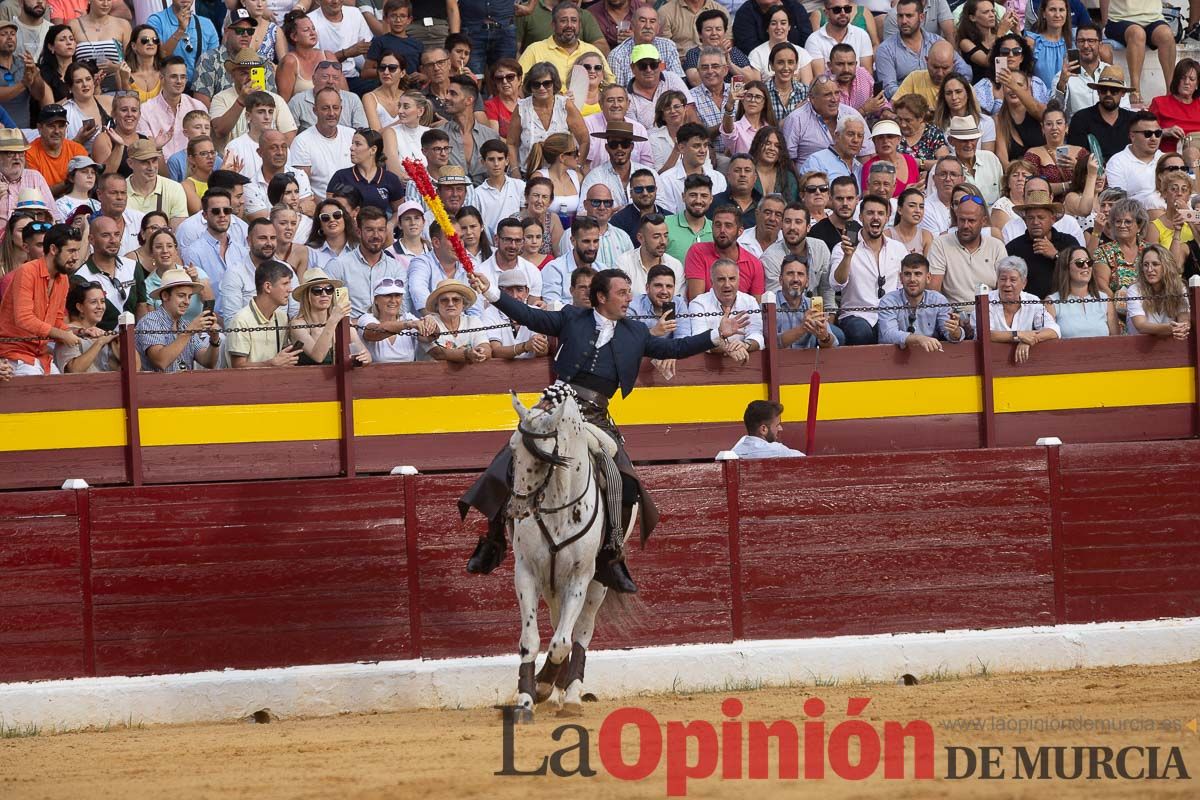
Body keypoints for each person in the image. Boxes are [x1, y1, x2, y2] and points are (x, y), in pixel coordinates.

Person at [461, 262, 750, 593]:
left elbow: (673, 348)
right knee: (513, 455)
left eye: (629, 292)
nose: (629, 298)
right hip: (556, 405)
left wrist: (716, 333)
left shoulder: (635, 332)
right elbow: (529, 316)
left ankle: (612, 553)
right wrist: (491, 291)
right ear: (601, 297)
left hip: (596, 416)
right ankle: (494, 539)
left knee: (622, 479)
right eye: (622, 293)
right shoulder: (571, 317)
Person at [0, 224, 82, 375]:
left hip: (41, 356)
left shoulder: (63, 278)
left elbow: (57, 321)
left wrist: (81, 331)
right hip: (15, 355)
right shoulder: (27, 271)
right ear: (53, 249)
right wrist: (62, 335)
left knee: (63, 390)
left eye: (77, 251)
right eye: (71, 251)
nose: (76, 257)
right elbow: (24, 319)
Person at [830, 192, 906, 344]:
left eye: (880, 213)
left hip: (889, 314)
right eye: (870, 213)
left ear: (887, 218)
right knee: (861, 333)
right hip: (855, 315)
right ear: (861, 217)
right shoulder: (842, 247)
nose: (875, 217)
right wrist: (847, 256)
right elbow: (836, 284)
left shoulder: (898, 248)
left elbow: (902, 287)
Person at [507, 60, 589, 172]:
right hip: (527, 175)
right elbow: (511, 143)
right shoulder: (521, 108)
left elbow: (584, 139)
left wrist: (578, 167)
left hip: (562, 176)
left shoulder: (565, 105)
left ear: (554, 83)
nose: (541, 88)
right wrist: (515, 171)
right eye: (536, 84)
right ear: (530, 86)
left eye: (546, 83)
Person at [135, 265, 221, 371]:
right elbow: (161, 361)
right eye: (181, 296)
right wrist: (189, 332)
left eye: (189, 297)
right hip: (157, 387)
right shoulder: (149, 321)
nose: (187, 302)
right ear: (165, 296)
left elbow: (207, 362)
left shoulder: (185, 324)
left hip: (184, 386)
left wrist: (214, 339)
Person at [877, 251, 967, 350]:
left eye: (917, 274)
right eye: (907, 274)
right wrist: (919, 339)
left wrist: (955, 332)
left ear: (928, 278)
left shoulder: (938, 300)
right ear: (901, 278)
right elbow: (888, 335)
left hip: (930, 359)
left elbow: (950, 335)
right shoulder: (888, 301)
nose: (912, 279)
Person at [225, 259, 303, 368]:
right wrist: (270, 364)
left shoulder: (281, 317)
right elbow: (238, 366)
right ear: (267, 287)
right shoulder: (241, 320)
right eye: (285, 284)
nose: (290, 290)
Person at [1099, 0, 1176, 109]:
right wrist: (1104, 22)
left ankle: (1171, 91)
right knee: (1137, 33)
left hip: (1153, 18)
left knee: (1166, 35)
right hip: (1119, 19)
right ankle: (1135, 92)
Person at [687, 257, 764, 362]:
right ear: (711, 281)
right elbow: (699, 339)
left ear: (738, 280)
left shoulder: (750, 301)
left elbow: (757, 334)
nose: (727, 285)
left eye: (732, 279)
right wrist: (728, 348)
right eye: (721, 279)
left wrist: (745, 345)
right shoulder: (698, 304)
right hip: (707, 368)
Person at [1004, 186, 1075, 298]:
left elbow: (1080, 272)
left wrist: (1056, 255)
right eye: (1031, 218)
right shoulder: (1013, 247)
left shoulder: (1068, 242)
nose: (1035, 222)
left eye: (1041, 217)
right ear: (1025, 221)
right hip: (1027, 309)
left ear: (1052, 219)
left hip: (1064, 305)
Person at [988, 254, 1060, 363]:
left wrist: (1028, 340)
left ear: (1024, 283)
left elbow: (1054, 330)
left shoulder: (1032, 300)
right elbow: (985, 334)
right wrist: (1018, 335)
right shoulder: (986, 301)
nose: (1007, 284)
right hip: (992, 360)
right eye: (1003, 279)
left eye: (1013, 280)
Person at [684, 203, 764, 299]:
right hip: (705, 313)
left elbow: (756, 308)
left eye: (728, 226)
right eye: (717, 225)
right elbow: (696, 301)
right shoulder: (698, 252)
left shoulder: (754, 264)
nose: (722, 230)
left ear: (740, 231)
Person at [288, 86, 354, 200]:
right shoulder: (301, 142)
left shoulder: (352, 135)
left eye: (336, 108)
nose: (332, 113)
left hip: (356, 205)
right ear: (315, 110)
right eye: (325, 108)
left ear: (341, 109)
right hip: (322, 208)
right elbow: (303, 189)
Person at [135, 56, 206, 159]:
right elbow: (147, 150)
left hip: (192, 167)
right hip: (158, 167)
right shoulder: (145, 110)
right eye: (173, 76)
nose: (179, 81)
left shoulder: (198, 107)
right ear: (161, 78)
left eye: (183, 77)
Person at [1043, 246, 1118, 338]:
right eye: (1079, 263)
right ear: (1065, 267)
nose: (1086, 266)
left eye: (1089, 262)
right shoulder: (1052, 302)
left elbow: (1116, 339)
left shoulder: (1105, 300)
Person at [1065, 66, 1135, 164]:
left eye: (1114, 90)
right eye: (1103, 89)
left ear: (1123, 93)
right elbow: (1077, 156)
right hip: (1093, 175)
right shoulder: (1081, 119)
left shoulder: (1134, 120)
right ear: (1098, 91)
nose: (1108, 94)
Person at [657, 121, 727, 215]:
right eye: (696, 146)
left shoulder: (718, 178)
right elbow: (668, 216)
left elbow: (722, 213)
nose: (703, 150)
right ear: (681, 148)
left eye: (705, 145)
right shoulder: (666, 180)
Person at [307, 0, 376, 95]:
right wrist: (346, 53)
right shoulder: (310, 21)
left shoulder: (354, 13)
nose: (335, 1)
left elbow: (368, 49)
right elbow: (315, 64)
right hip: (326, 80)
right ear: (318, 1)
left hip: (353, 76)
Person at [774, 253, 841, 348]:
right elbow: (770, 344)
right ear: (780, 280)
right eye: (790, 273)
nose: (796, 279)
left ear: (807, 282)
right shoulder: (769, 305)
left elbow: (833, 344)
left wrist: (824, 337)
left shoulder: (812, 304)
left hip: (807, 361)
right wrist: (803, 328)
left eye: (800, 274)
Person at [1124, 244, 1190, 339]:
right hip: (1139, 349)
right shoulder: (1134, 289)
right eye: (1146, 265)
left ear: (1167, 266)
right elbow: (1141, 326)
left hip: (1171, 347)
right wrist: (1170, 328)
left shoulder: (1179, 287)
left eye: (1155, 264)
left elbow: (1184, 318)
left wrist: (1182, 328)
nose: (1149, 269)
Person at [148, 0, 219, 86]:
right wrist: (180, 30)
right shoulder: (156, 21)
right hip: (165, 88)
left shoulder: (207, 24)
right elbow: (160, 55)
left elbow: (213, 63)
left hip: (197, 89)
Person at [54, 281, 119, 373]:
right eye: (93, 302)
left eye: (102, 301)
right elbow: (73, 370)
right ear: (80, 307)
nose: (100, 306)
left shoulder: (103, 333)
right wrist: (100, 342)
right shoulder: (67, 333)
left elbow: (135, 368)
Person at [1105, 111, 1165, 207]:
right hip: (1138, 217)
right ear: (1132, 136)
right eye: (1147, 133)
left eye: (1158, 133)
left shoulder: (1166, 159)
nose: (1154, 138)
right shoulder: (1117, 162)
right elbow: (1118, 202)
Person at [24, 103, 85, 195]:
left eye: (61, 126)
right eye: (51, 126)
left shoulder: (77, 150)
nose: (57, 131)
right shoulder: (29, 153)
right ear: (40, 128)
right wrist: (70, 182)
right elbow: (36, 194)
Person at [805, 0, 873, 76]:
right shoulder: (814, 40)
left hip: (859, 86)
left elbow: (867, 74)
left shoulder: (862, 35)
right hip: (828, 86)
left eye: (847, 9)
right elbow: (820, 78)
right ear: (826, 13)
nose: (843, 13)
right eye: (837, 10)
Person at [746, 4, 812, 84]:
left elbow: (807, 88)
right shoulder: (756, 54)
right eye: (773, 24)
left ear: (789, 27)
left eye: (783, 23)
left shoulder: (802, 53)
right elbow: (756, 88)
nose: (779, 27)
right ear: (767, 28)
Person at [945, 115, 1002, 205]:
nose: (969, 145)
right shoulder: (944, 167)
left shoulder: (991, 159)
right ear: (951, 141)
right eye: (963, 140)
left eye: (972, 139)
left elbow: (1003, 194)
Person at [933, 73, 995, 152]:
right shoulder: (937, 126)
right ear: (944, 97)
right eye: (949, 93)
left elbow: (988, 157)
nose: (954, 97)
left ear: (968, 94)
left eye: (958, 92)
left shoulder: (986, 122)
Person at [1150, 59, 1200, 156]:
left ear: (1197, 84)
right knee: (1191, 153)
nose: (1187, 82)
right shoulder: (1159, 103)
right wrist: (1165, 132)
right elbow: (1145, 133)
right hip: (1171, 159)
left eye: (1192, 79)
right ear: (1176, 80)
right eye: (1182, 78)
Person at [730, 399, 806, 458]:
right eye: (777, 425)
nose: (780, 429)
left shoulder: (734, 452)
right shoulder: (778, 451)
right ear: (763, 429)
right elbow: (808, 461)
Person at [808, 173, 856, 250]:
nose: (845, 204)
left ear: (857, 200)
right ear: (831, 199)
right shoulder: (817, 232)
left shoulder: (861, 231)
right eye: (839, 199)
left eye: (850, 198)